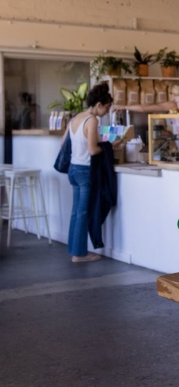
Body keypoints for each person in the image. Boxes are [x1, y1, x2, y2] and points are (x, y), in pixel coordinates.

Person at [65, 83, 122, 262]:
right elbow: (93, 150)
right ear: (98, 104)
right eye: (106, 107)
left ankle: (74, 250)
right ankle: (79, 254)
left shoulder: (76, 118)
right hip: (84, 170)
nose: (106, 111)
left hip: (73, 169)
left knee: (76, 212)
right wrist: (113, 145)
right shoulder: (92, 120)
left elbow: (63, 144)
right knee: (83, 213)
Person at [116, 83, 179, 156]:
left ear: (172, 94)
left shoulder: (174, 104)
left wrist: (125, 107)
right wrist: (171, 134)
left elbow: (144, 108)